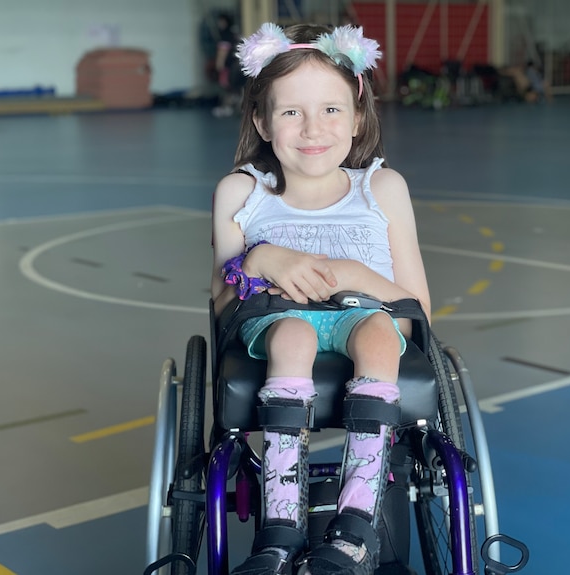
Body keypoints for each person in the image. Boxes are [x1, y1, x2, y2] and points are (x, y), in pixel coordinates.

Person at [210, 22, 431, 575]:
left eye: (332, 109)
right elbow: (221, 310)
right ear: (261, 120)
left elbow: (416, 313)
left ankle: (357, 523)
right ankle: (279, 526)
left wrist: (352, 273)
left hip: (370, 320)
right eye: (291, 112)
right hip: (277, 325)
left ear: (358, 117)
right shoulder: (241, 194)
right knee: (293, 331)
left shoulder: (383, 190)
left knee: (380, 332)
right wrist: (257, 260)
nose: (313, 128)